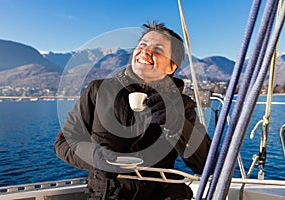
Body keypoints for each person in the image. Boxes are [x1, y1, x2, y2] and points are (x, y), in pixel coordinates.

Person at [54, 21, 212, 200]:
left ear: (171, 67)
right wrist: (95, 157)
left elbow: (206, 163)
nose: (145, 51)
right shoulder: (98, 91)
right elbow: (63, 142)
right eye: (142, 45)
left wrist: (177, 123)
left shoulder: (182, 105)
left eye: (158, 49)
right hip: (107, 195)